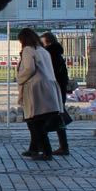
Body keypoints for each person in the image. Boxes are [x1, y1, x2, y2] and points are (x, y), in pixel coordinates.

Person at [15, 28, 62, 161]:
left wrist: (20, 78)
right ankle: (35, 148)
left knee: (36, 122)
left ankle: (46, 152)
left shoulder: (28, 50)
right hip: (48, 88)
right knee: (38, 121)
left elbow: (29, 68)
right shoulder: (43, 50)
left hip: (35, 89)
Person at [40, 31, 72, 156]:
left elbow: (50, 73)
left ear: (47, 41)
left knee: (53, 118)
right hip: (59, 89)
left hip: (54, 90)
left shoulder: (50, 55)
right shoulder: (56, 53)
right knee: (57, 117)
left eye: (42, 42)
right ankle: (63, 146)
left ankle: (60, 146)